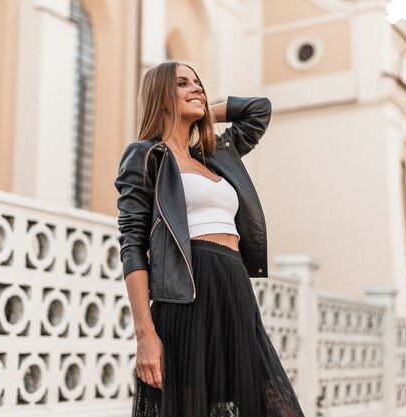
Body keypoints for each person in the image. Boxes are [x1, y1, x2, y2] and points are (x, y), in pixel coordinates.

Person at [114, 61, 304, 417]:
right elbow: (132, 245)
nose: (197, 88)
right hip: (188, 294)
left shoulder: (216, 154)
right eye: (183, 83)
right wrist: (145, 335)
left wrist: (202, 114)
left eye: (198, 83)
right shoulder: (145, 154)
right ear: (160, 96)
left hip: (234, 288)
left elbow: (257, 109)